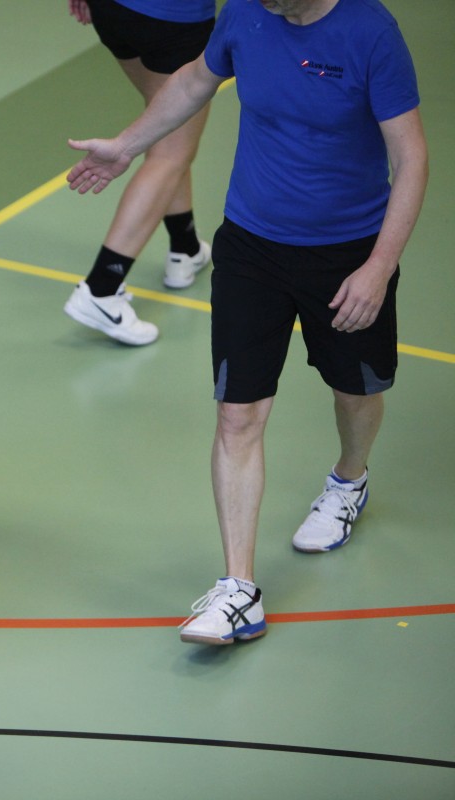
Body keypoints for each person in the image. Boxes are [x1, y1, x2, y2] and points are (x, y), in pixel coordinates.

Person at [67, 0, 428, 644]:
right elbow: (191, 82)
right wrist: (126, 145)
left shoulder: (371, 32)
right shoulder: (246, 15)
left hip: (346, 252)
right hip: (252, 245)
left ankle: (349, 479)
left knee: (356, 390)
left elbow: (411, 158)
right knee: (237, 413)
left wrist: (379, 267)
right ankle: (239, 589)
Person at [63, 0, 217, 346]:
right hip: (174, 19)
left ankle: (185, 248)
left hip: (112, 11)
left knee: (165, 123)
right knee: (171, 152)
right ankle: (102, 289)